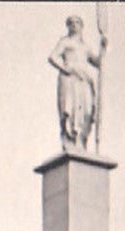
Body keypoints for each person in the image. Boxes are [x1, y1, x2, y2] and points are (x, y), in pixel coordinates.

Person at [48, 16, 106, 150]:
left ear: (81, 26)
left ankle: (81, 140)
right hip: (69, 79)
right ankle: (69, 141)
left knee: (86, 111)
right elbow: (52, 57)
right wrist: (65, 68)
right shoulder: (65, 42)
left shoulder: (85, 46)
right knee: (69, 110)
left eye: (77, 22)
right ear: (68, 26)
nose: (74, 25)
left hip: (84, 80)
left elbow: (98, 63)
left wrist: (103, 48)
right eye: (71, 23)